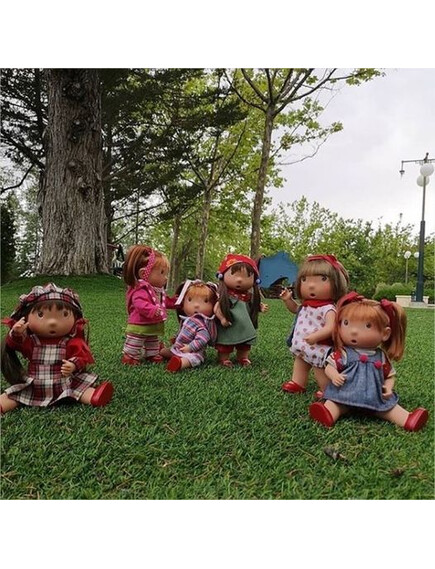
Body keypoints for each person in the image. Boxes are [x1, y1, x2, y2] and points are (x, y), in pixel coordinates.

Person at [309, 292, 428, 431]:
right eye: (346, 323)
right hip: (344, 395)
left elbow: (389, 375)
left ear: (385, 334)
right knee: (334, 404)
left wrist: (388, 387)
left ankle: (408, 419)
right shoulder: (344, 353)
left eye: (367, 326)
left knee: (390, 408)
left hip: (374, 398)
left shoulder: (380, 356)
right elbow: (329, 367)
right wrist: (334, 375)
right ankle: (328, 414)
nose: (353, 331)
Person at [0, 283, 113, 414]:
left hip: (64, 383)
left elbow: (81, 357)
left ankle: (94, 397)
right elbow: (15, 344)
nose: (52, 322)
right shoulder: (32, 342)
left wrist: (73, 365)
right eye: (41, 314)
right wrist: (16, 333)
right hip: (36, 384)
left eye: (64, 314)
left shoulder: (70, 342)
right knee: (16, 394)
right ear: (26, 317)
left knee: (79, 390)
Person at [280, 254, 349, 394]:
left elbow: (331, 327)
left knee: (320, 369)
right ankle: (298, 382)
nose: (311, 285)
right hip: (303, 345)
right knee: (300, 363)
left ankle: (326, 389)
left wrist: (316, 336)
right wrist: (288, 300)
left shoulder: (328, 308)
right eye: (304, 280)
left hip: (319, 347)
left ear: (336, 283)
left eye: (322, 279)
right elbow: (295, 309)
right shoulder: (306, 305)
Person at [214, 253, 266, 367]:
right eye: (234, 275)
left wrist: (260, 307)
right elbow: (217, 308)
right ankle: (224, 358)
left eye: (247, 276)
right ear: (222, 275)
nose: (239, 280)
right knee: (225, 343)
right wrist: (222, 319)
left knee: (245, 344)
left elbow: (253, 304)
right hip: (229, 324)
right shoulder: (225, 296)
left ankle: (243, 357)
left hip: (244, 326)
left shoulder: (248, 296)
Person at [121, 244, 170, 365]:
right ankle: (130, 355)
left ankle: (152, 354)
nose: (166, 278)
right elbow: (139, 303)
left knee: (152, 340)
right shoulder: (140, 289)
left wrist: (177, 302)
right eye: (162, 273)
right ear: (144, 274)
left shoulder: (157, 291)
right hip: (140, 324)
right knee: (136, 340)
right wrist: (152, 309)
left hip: (152, 324)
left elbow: (164, 302)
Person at [161, 280, 218, 372]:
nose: (196, 305)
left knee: (191, 359)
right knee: (168, 351)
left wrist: (191, 347)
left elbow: (203, 338)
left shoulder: (202, 323)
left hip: (193, 352)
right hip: (179, 347)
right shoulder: (186, 319)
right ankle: (162, 351)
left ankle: (180, 363)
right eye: (190, 300)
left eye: (205, 301)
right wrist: (176, 337)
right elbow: (182, 331)